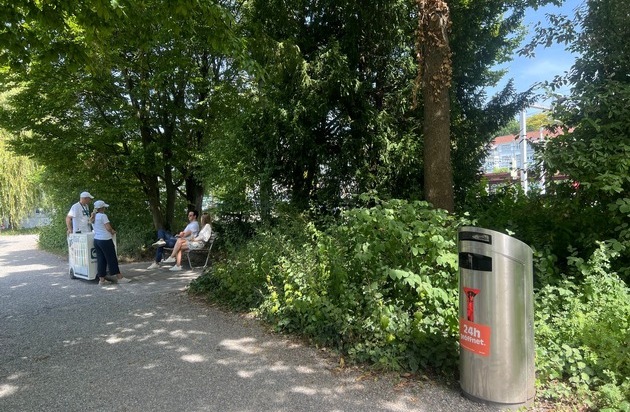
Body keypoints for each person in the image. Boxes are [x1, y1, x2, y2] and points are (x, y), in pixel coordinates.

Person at [92, 200, 131, 285]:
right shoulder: (103, 216)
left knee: (101, 259)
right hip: (105, 239)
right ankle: (119, 278)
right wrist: (112, 231)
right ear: (102, 208)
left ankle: (101, 280)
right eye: (104, 207)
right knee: (111, 258)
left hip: (97, 240)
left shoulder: (93, 216)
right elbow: (108, 228)